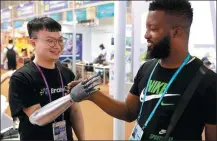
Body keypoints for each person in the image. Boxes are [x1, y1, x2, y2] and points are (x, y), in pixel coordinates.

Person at [69, 0, 216, 140]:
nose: (146, 35)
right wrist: (93, 95)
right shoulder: (147, 68)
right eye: (146, 28)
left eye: (153, 29)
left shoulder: (208, 81)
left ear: (177, 33)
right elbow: (128, 111)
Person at [8, 17, 101, 141]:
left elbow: (75, 112)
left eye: (60, 40)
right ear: (33, 43)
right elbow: (37, 118)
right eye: (50, 41)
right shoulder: (22, 78)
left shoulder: (66, 73)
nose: (57, 46)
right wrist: (71, 97)